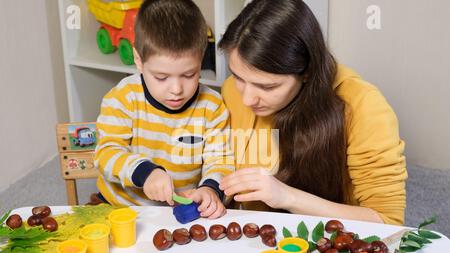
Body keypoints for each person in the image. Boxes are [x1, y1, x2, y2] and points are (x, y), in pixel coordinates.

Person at [218, 0, 407, 225]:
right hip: (258, 236)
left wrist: (287, 197)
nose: (247, 99)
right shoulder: (232, 90)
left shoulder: (363, 106)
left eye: (268, 87)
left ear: (307, 72)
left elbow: (388, 222)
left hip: (333, 243)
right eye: (238, 77)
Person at [94, 0, 234, 219]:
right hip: (121, 207)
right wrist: (144, 172)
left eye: (189, 75)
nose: (176, 89)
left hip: (180, 210)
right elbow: (106, 153)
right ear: (138, 60)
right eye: (161, 77)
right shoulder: (123, 97)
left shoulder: (212, 107)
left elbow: (221, 160)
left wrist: (210, 189)